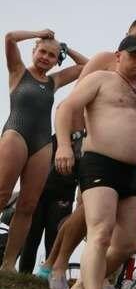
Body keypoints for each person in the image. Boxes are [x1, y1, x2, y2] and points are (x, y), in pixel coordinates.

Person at [45, 18, 136, 289]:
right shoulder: (103, 62)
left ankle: (102, 279)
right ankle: (57, 265)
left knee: (120, 229)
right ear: (127, 38)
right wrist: (71, 143)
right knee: (86, 213)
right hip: (96, 152)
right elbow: (73, 103)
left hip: (131, 164)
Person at [0, 29, 87, 271]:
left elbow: (87, 66)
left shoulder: (53, 81)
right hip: (16, 134)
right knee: (2, 194)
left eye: (52, 55)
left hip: (41, 143)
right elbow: (9, 38)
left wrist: (66, 50)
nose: (46, 58)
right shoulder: (18, 72)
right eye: (43, 52)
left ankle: (8, 264)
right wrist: (37, 33)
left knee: (28, 205)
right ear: (34, 51)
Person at [18, 133, 83, 275]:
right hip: (39, 194)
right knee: (31, 237)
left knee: (54, 238)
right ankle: (24, 274)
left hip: (63, 197)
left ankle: (49, 275)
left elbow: (85, 176)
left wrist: (79, 207)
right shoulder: (53, 138)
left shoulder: (83, 142)